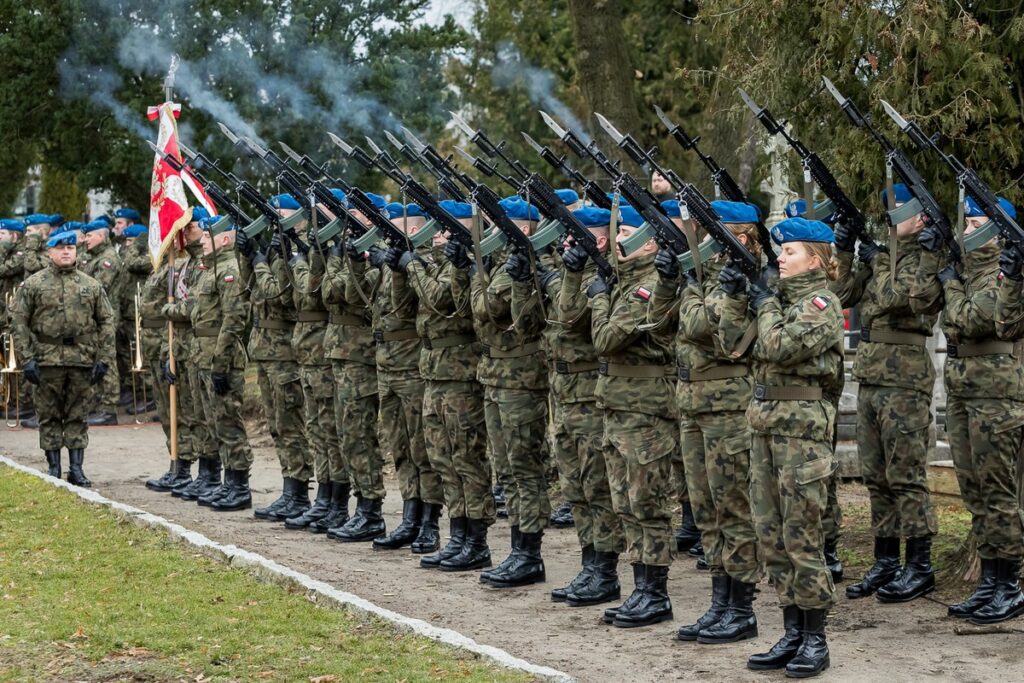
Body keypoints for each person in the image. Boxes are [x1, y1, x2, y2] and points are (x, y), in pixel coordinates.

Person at [718, 216, 843, 677]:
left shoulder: (820, 303)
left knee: (802, 537)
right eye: (779, 252)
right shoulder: (777, 300)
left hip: (801, 434)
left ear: (815, 258)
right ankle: (791, 632)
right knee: (771, 537)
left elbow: (775, 345)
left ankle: (815, 638)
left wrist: (764, 302)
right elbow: (733, 344)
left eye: (788, 253)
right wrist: (736, 298)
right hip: (766, 429)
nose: (779, 259)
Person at [650, 200, 763, 644]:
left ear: (738, 235)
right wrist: (666, 282)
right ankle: (720, 602)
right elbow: (659, 326)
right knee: (706, 509)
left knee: (733, 508)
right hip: (692, 404)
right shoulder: (702, 274)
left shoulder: (743, 277)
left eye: (708, 229)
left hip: (727, 407)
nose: (696, 233)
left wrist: (690, 285)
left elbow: (701, 327)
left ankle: (742, 606)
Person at [833, 184, 941, 603]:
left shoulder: (927, 255)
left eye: (901, 211)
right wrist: (845, 252)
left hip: (905, 381)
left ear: (921, 216)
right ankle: (885, 560)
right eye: (888, 212)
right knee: (875, 476)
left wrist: (877, 260)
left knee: (906, 475)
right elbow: (841, 294)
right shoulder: (882, 255)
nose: (893, 219)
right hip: (872, 379)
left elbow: (905, 299)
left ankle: (920, 564)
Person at [932, 196, 1024, 624]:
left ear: (996, 229)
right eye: (965, 222)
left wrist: (951, 284)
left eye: (974, 223)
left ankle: (1010, 585)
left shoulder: (1005, 275)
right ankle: (989, 581)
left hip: (996, 396)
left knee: (999, 493)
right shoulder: (972, 272)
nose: (966, 230)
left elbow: (969, 320)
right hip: (964, 392)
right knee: (974, 490)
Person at [390, 199, 493, 569]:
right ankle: (458, 533)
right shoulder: (441, 262)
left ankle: (477, 540)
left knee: (467, 457)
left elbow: (438, 301)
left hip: (459, 375)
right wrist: (402, 270)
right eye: (441, 227)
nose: (441, 234)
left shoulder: (468, 263)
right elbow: (402, 308)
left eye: (450, 228)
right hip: (432, 371)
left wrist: (413, 265)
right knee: (442, 457)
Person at [589, 209, 678, 628]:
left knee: (647, 503)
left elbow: (606, 339)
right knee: (625, 502)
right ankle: (640, 588)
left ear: (648, 244)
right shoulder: (627, 282)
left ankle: (654, 593)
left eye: (623, 232)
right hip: (618, 407)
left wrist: (599, 296)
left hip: (644, 410)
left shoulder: (649, 286)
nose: (616, 238)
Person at [460, 196, 550, 587]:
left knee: (524, 468)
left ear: (524, 229)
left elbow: (488, 308)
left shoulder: (530, 266)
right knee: (507, 471)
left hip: (519, 376)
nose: (493, 233)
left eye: (502, 226)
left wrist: (482, 274)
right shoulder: (501, 263)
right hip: (495, 373)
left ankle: (529, 553)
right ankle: (518, 550)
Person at [537, 204, 624, 606]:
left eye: (573, 236)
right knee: (575, 486)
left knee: (596, 484)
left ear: (598, 240)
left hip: (589, 394)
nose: (565, 243)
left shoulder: (603, 279)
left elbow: (570, 316)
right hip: (565, 392)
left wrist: (569, 275)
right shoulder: (578, 274)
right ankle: (589, 562)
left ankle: (605, 570)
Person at [10, 230, 115, 486]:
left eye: (70, 247)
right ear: (50, 252)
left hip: (81, 359)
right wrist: (27, 359)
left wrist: (104, 359)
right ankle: (54, 467)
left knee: (78, 414)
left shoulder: (90, 285)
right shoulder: (34, 284)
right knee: (49, 415)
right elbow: (19, 322)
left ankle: (77, 469)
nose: (66, 251)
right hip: (46, 360)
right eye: (60, 247)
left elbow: (106, 321)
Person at [165, 215, 253, 511]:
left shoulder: (228, 270)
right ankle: (228, 484)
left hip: (219, 356)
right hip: (202, 354)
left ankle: (239, 486)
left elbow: (233, 320)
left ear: (224, 240)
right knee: (215, 422)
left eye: (207, 237)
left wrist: (220, 362)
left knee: (229, 423)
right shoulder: (209, 270)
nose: (201, 240)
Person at [270, 194, 346, 531]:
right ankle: (324, 500)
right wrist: (276, 255)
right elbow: (284, 295)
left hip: (326, 350)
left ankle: (337, 504)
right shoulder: (315, 247)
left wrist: (299, 256)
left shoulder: (334, 249)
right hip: (310, 351)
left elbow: (310, 292)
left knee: (331, 432)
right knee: (317, 430)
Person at [323, 191, 389, 543]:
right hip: (342, 353)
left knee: (360, 435)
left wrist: (359, 265)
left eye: (358, 214)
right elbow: (327, 291)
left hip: (362, 355)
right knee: (347, 434)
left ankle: (371, 510)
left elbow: (354, 295)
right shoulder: (347, 245)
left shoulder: (379, 250)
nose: (350, 218)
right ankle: (359, 506)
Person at [235, 222, 311, 523]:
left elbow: (277, 294)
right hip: (266, 351)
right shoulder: (276, 248)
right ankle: (289, 489)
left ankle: (300, 492)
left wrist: (261, 262)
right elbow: (248, 288)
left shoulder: (297, 251)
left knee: (290, 425)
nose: (278, 218)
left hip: (284, 352)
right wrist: (248, 256)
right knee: (277, 426)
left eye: (284, 213)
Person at [78, 219, 124, 426]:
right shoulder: (93, 257)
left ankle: (109, 408)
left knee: (107, 360)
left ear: (102, 236)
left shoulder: (108, 259)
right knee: (95, 359)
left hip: (105, 318)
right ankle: (98, 404)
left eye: (89, 236)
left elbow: (98, 286)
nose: (85, 239)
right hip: (92, 318)